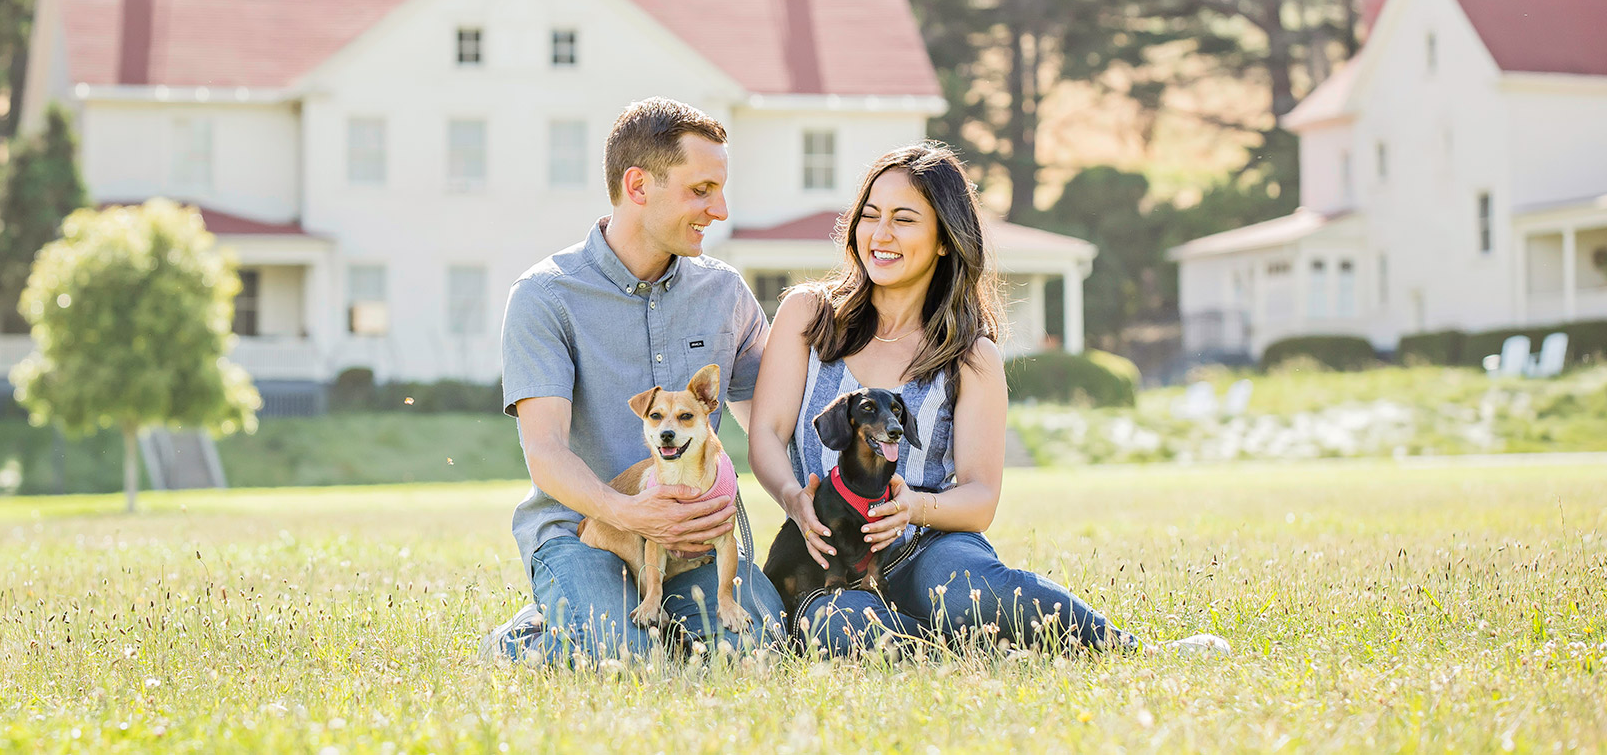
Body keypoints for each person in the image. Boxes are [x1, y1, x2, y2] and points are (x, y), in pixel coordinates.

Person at [747, 141, 1229, 656]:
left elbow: (980, 498)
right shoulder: (809, 314)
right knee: (839, 624)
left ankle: (1137, 653)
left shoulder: (971, 354)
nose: (880, 234)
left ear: (943, 241)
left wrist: (914, 506)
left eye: (904, 219)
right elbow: (767, 434)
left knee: (969, 594)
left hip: (927, 547)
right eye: (870, 215)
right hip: (830, 551)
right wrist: (793, 499)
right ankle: (963, 654)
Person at [484, 98, 786, 661]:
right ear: (638, 184)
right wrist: (632, 514)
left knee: (760, 649)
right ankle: (525, 639)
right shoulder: (545, 296)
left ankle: (648, 624)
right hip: (587, 532)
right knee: (623, 659)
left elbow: (772, 426)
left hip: (696, 541)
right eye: (701, 190)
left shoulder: (724, 293)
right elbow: (545, 452)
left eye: (719, 190)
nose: (718, 210)